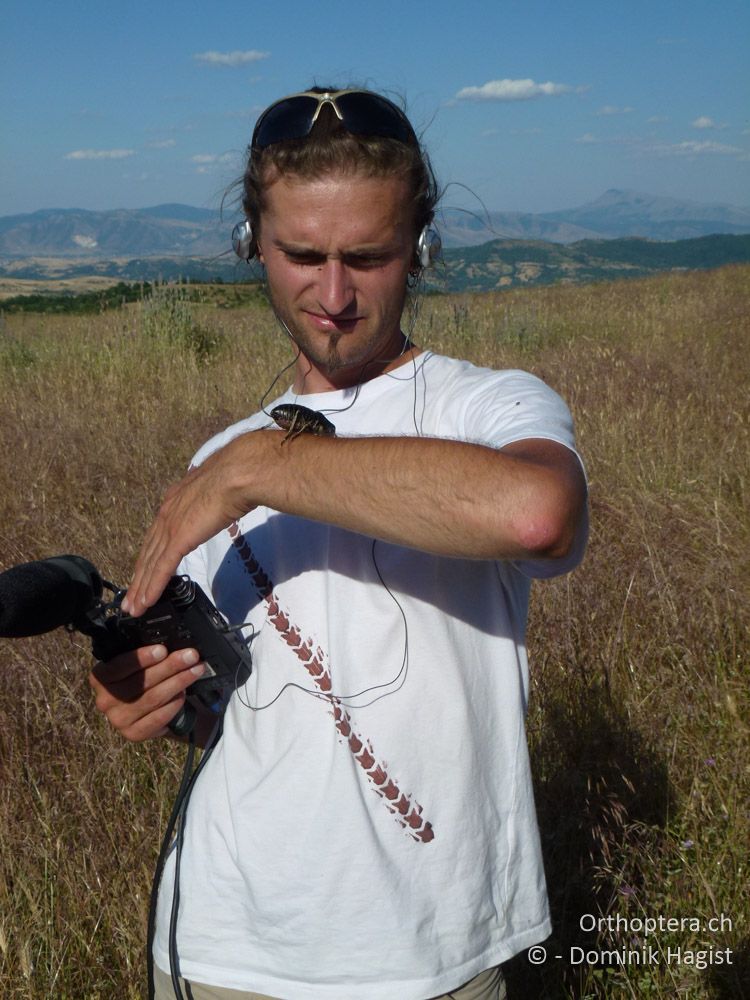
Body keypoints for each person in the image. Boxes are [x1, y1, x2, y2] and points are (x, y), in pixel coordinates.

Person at [89, 87, 588, 1000]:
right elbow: (235, 702)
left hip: (436, 952)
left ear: (422, 248)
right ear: (253, 245)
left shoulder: (488, 407)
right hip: (222, 950)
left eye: (368, 256)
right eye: (300, 255)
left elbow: (536, 516)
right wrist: (151, 698)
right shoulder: (220, 461)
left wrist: (258, 470)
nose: (332, 295)